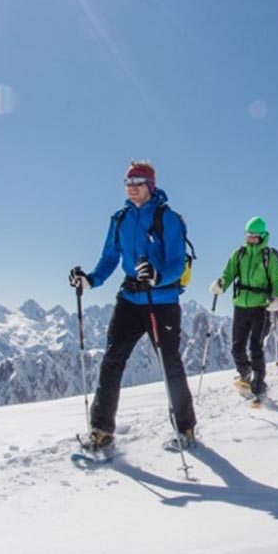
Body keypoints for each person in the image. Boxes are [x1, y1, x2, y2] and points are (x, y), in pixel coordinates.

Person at [68, 161, 197, 452]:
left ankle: (185, 428)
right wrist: (90, 280)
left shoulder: (168, 218)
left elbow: (177, 262)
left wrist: (157, 276)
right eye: (127, 182)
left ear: (150, 185)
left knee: (170, 364)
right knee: (112, 360)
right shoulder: (120, 219)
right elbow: (109, 258)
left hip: (161, 301)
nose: (131, 187)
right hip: (129, 299)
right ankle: (101, 431)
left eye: (138, 182)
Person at [210, 216, 278, 401]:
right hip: (240, 306)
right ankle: (245, 373)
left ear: (262, 236)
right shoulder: (239, 254)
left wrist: (277, 297)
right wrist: (221, 284)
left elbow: (277, 280)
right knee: (237, 348)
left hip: (260, 307)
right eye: (248, 234)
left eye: (254, 235)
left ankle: (259, 387)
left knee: (255, 348)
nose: (250, 238)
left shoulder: (268, 257)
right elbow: (228, 274)